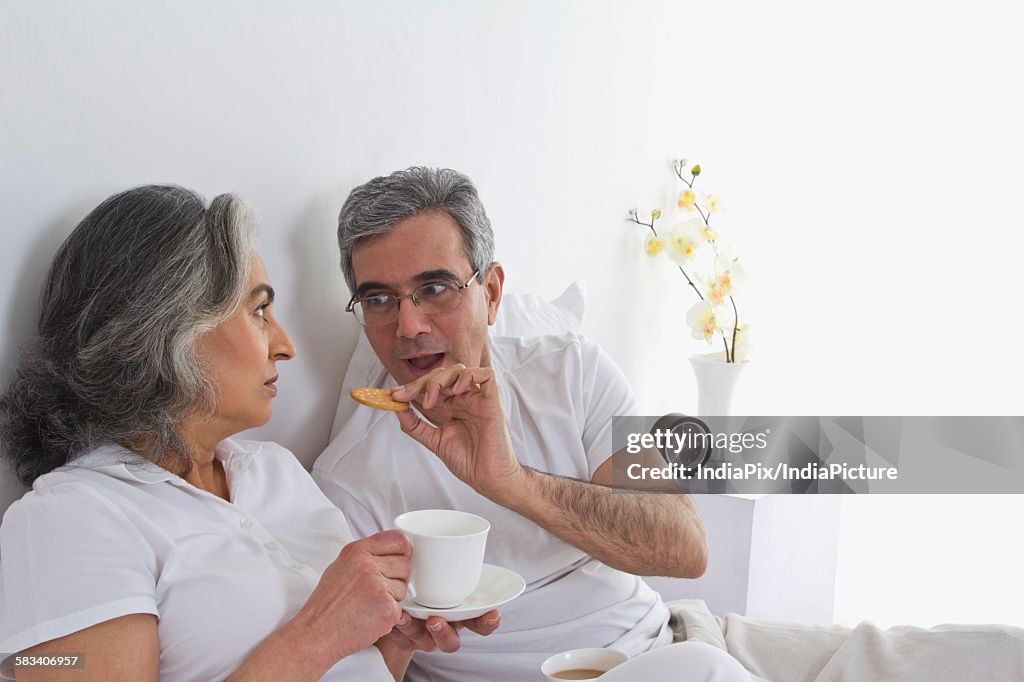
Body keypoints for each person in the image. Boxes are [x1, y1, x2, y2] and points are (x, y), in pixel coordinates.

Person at [0, 185, 498, 681]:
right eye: (259, 311)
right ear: (169, 328)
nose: (285, 346)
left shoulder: (275, 471)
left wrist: (389, 641)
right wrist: (319, 634)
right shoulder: (70, 519)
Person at [313, 167, 751, 681]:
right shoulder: (345, 484)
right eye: (379, 299)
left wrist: (513, 484)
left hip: (659, 650)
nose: (408, 326)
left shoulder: (572, 369)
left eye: (436, 287)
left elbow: (684, 547)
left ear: (492, 293)